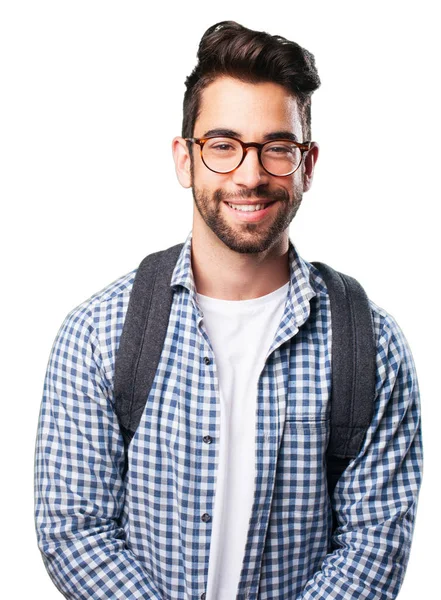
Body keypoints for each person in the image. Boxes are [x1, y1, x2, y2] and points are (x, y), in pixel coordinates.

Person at [34, 20, 423, 600]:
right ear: (185, 160)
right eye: (222, 145)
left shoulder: (371, 344)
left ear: (307, 164)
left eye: (277, 148)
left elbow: (374, 546)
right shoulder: (98, 332)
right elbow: (74, 528)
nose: (249, 174)